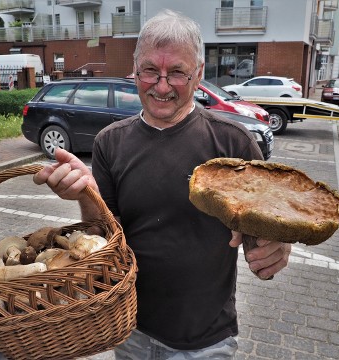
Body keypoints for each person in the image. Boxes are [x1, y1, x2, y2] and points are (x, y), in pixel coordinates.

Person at [33, 9, 291, 359]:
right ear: (135, 70)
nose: (162, 85)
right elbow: (105, 237)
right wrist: (85, 192)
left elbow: (259, 235)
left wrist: (274, 245)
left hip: (205, 339)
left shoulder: (233, 143)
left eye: (178, 73)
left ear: (198, 74)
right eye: (151, 71)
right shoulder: (110, 142)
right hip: (129, 328)